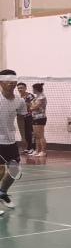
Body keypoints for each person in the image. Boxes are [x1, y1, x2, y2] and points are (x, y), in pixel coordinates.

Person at [0, 70, 29, 212]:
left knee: (15, 170)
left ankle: (2, 193)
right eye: (8, 80)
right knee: (0, 170)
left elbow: (21, 119)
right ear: (1, 82)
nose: (12, 83)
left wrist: (23, 138)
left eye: (14, 80)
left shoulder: (20, 101)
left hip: (11, 141)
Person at [29, 83, 47, 158]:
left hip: (40, 117)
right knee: (36, 135)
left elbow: (34, 107)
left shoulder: (42, 97)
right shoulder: (36, 97)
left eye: (33, 88)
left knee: (41, 135)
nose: (32, 90)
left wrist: (31, 107)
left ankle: (43, 151)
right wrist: (31, 107)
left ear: (36, 89)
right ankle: (37, 150)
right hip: (34, 117)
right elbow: (32, 106)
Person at [16, 82, 34, 154]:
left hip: (29, 117)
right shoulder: (18, 97)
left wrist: (23, 104)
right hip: (21, 118)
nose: (20, 89)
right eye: (18, 88)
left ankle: (32, 148)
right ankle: (27, 148)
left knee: (30, 132)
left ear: (25, 88)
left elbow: (32, 106)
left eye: (21, 88)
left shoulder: (30, 96)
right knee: (24, 133)